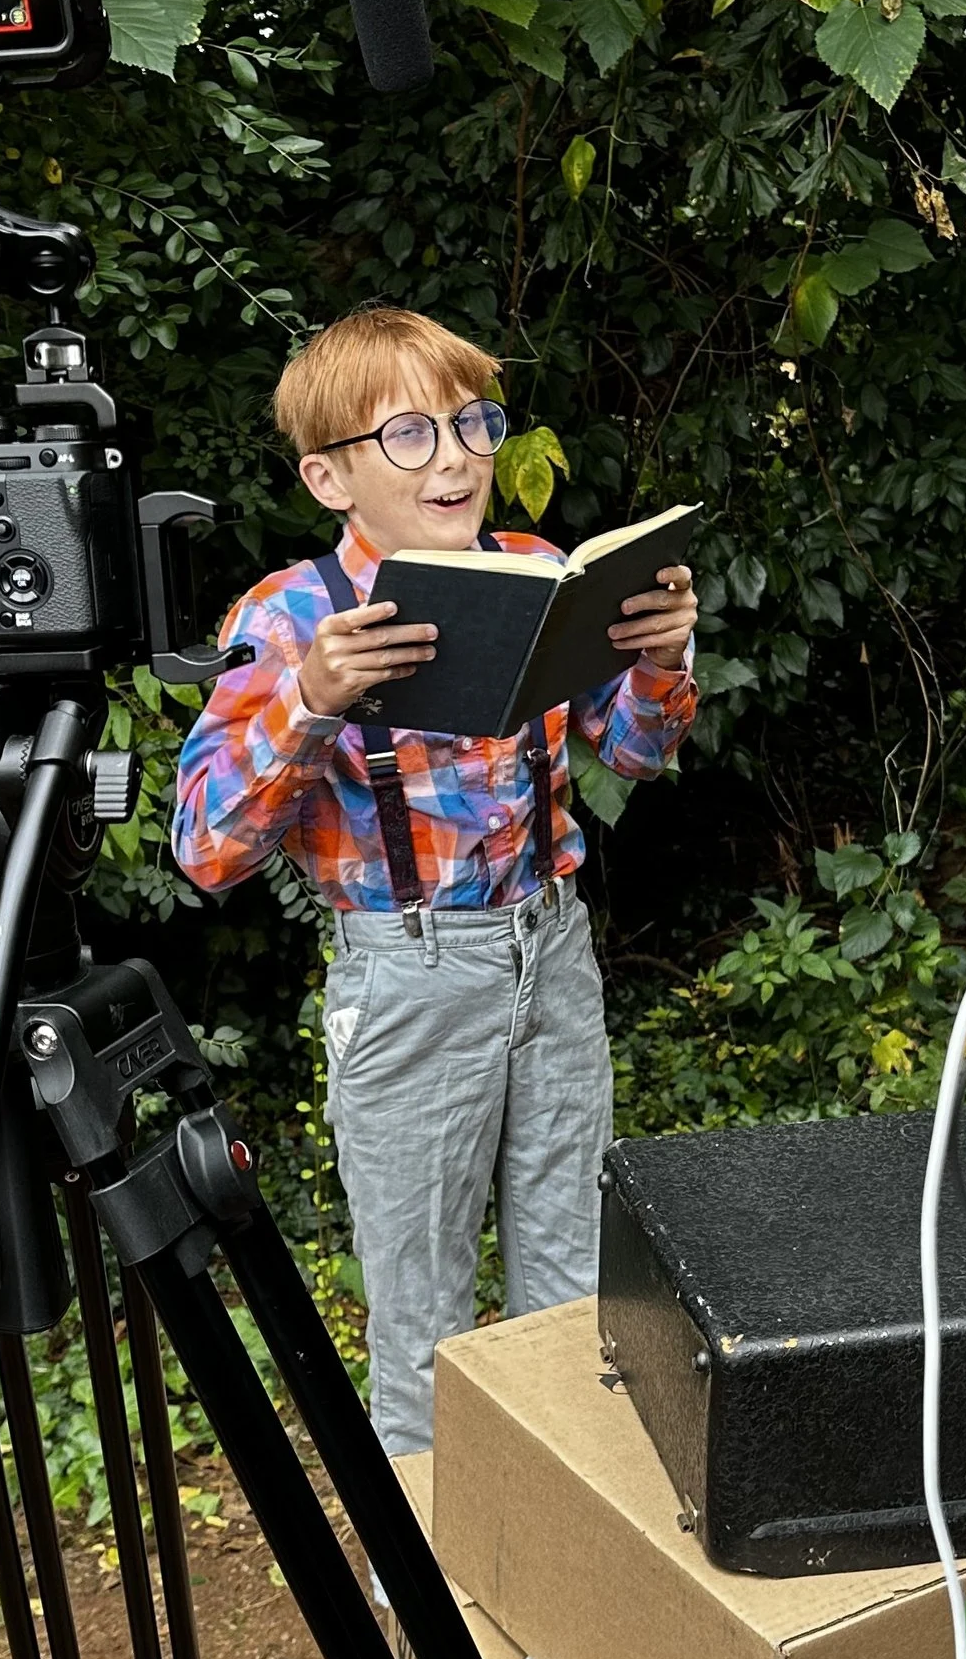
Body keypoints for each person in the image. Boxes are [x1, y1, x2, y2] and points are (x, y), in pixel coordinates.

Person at [169, 307, 697, 1464]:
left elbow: (632, 755)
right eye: (407, 433)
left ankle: (565, 1609)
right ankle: (434, 1628)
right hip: (407, 981)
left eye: (470, 423)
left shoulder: (535, 569)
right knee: (423, 1334)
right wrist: (307, 699)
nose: (454, 457)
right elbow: (205, 847)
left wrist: (660, 662)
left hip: (552, 957)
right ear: (329, 476)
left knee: (572, 1308)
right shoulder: (289, 615)